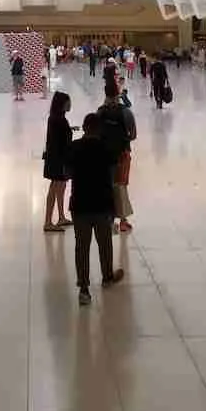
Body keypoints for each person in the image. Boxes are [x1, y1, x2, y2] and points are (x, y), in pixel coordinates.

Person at [66, 113, 124, 305]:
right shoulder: (106, 149)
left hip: (80, 205)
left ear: (84, 128)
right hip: (102, 204)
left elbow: (67, 172)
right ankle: (107, 276)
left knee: (82, 247)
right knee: (104, 243)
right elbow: (115, 173)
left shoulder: (74, 148)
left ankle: (84, 289)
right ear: (99, 129)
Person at [98, 79, 136, 233]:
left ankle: (108, 219)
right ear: (118, 93)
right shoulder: (126, 112)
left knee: (107, 186)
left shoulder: (100, 111)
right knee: (121, 186)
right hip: (122, 154)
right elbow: (133, 135)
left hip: (104, 155)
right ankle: (123, 221)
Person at [43, 91, 73, 232]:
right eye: (68, 102)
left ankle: (61, 216)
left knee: (60, 187)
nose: (70, 104)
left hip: (56, 158)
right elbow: (60, 142)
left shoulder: (56, 118)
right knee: (55, 187)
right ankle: (48, 221)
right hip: (58, 160)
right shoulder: (59, 120)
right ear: (62, 104)